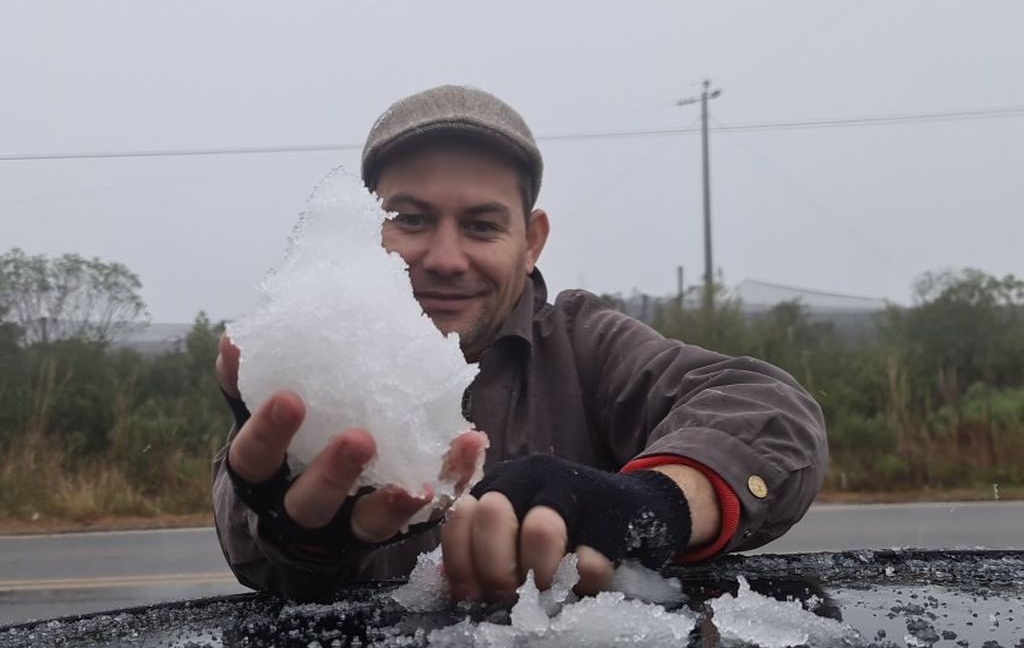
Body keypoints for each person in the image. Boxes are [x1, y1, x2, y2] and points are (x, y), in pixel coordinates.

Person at [212, 85, 828, 602]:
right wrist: (295, 531)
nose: (447, 258)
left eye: (482, 225)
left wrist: (652, 501)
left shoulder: (586, 344)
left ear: (531, 240)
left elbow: (766, 405)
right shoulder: (313, 368)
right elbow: (253, 554)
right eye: (412, 220)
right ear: (361, 230)